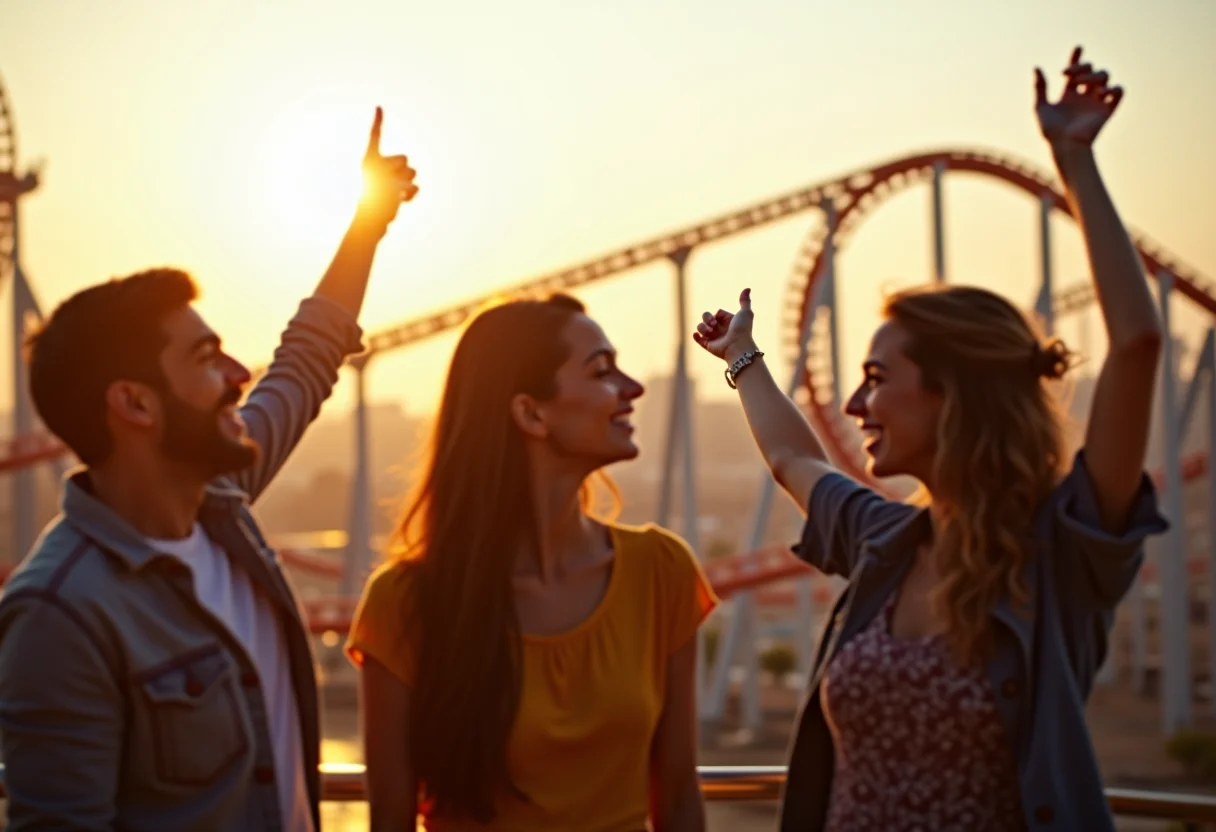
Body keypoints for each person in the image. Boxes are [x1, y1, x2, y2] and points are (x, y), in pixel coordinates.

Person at [693, 48, 1168, 831]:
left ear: (956, 395)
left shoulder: (1064, 548)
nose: (854, 401)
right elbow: (794, 459)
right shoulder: (886, 541)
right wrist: (742, 359)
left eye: (877, 377)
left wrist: (1076, 164)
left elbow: (1138, 346)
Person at [0, 108, 418, 832]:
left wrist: (366, 224)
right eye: (205, 358)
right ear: (133, 403)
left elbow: (309, 358)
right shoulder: (58, 613)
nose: (236, 374)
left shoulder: (219, 504)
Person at [345, 292, 718, 831]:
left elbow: (681, 801)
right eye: (602, 371)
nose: (633, 389)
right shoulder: (402, 602)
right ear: (531, 412)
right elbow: (391, 823)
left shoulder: (663, 571)